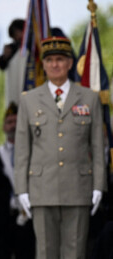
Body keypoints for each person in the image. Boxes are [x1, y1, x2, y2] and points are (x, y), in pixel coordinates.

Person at [15, 36, 105, 259]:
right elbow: (22, 150)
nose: (55, 64)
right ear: (43, 64)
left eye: (60, 59)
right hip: (42, 188)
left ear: (70, 63)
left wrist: (98, 185)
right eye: (50, 60)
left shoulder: (89, 98)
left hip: (78, 186)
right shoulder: (29, 100)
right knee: (45, 252)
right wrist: (21, 189)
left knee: (75, 251)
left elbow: (97, 145)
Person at [0, 102, 35, 259]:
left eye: (17, 122)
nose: (13, 126)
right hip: (0, 222)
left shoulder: (34, 155)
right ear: (3, 127)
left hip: (28, 221)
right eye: (10, 122)